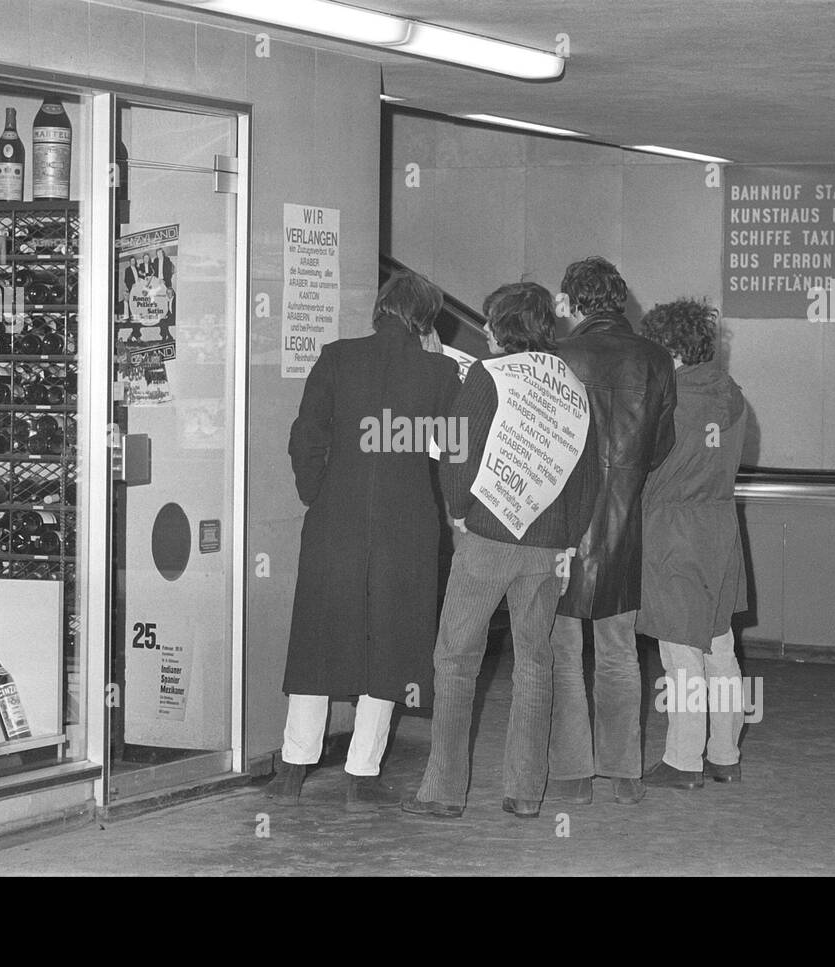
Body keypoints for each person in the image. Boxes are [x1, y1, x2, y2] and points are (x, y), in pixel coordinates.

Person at [266, 270, 462, 812]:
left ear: (379, 308)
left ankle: (294, 764)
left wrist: (317, 494)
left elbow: (305, 437)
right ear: (425, 320)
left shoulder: (336, 357)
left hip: (336, 520)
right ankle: (363, 771)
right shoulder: (441, 372)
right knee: (391, 641)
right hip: (407, 525)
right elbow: (454, 455)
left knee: (318, 633)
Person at [402, 282, 597, 818]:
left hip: (489, 536)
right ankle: (526, 793)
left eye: (490, 320)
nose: (484, 329)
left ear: (507, 325)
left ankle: (443, 792)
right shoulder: (573, 386)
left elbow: (458, 451)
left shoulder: (490, 377)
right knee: (535, 662)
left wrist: (459, 511)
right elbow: (586, 479)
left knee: (456, 658)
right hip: (548, 547)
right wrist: (567, 535)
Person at [548, 257, 677, 806]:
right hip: (624, 523)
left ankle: (574, 773)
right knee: (620, 650)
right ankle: (625, 771)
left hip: (561, 523)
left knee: (563, 651)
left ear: (575, 302)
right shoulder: (654, 359)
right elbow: (662, 443)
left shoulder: (557, 358)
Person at [636, 297, 750, 789]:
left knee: (680, 653)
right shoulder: (733, 394)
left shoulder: (666, 400)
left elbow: (641, 467)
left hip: (672, 531)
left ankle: (683, 761)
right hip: (721, 529)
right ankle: (724, 754)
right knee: (719, 645)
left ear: (670, 349)